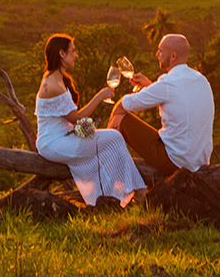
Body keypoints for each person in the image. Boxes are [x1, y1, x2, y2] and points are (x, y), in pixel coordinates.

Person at [35, 34, 146, 206]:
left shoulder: (58, 79)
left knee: (111, 140)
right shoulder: (52, 85)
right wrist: (100, 95)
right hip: (53, 143)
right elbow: (77, 118)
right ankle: (133, 193)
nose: (76, 55)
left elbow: (73, 120)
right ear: (61, 54)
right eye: (72, 51)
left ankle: (115, 198)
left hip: (65, 137)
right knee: (114, 138)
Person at [107, 33, 214, 176]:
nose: (157, 54)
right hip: (199, 162)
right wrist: (150, 86)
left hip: (176, 162)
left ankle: (106, 168)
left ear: (173, 56)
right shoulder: (201, 80)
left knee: (119, 119)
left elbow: (126, 104)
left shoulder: (168, 82)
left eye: (161, 50)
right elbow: (175, 103)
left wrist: (111, 123)